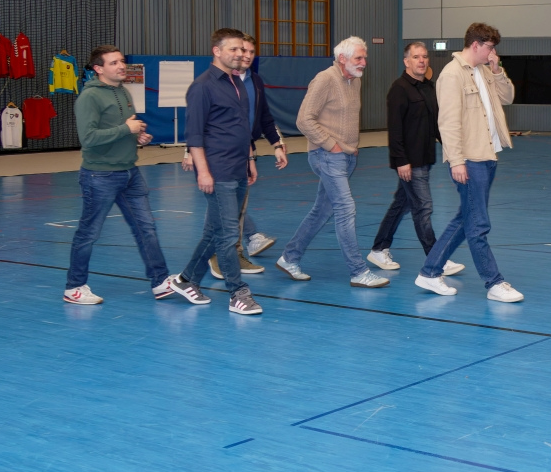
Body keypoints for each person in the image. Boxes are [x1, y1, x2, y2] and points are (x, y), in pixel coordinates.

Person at [414, 22, 523, 302]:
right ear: (476, 45)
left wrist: (497, 70)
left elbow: (508, 97)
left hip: (487, 156)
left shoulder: (484, 71)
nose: (492, 52)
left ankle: (429, 272)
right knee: (478, 225)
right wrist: (457, 161)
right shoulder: (452, 75)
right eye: (490, 48)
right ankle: (494, 282)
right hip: (470, 160)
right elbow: (448, 123)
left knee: (466, 219)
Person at [276, 36, 390, 288]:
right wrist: (331, 144)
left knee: (322, 211)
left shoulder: (355, 81)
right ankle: (358, 271)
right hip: (327, 156)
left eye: (364, 58)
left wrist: (351, 147)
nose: (364, 63)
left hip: (347, 157)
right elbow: (304, 120)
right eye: (358, 58)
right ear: (342, 58)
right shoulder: (325, 79)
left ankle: (289, 257)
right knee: (345, 208)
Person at [63, 45, 173, 305]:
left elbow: (123, 129)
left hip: (130, 173)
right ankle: (74, 287)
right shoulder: (89, 97)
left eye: (122, 61)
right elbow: (89, 138)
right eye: (114, 63)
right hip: (100, 176)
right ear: (99, 69)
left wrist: (138, 136)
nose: (121, 66)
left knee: (146, 228)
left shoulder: (123, 91)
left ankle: (160, 281)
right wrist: (127, 129)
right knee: (89, 233)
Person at [167, 28, 263, 315]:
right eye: (233, 49)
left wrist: (249, 159)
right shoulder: (202, 86)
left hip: (238, 168)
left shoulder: (237, 83)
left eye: (242, 49)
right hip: (217, 171)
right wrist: (203, 172)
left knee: (214, 231)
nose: (239, 54)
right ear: (217, 51)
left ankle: (186, 280)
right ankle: (238, 292)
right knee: (229, 234)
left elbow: (241, 128)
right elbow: (194, 134)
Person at [367, 41, 464, 278]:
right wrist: (401, 160)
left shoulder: (428, 87)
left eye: (424, 57)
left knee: (402, 204)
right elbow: (395, 129)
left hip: (425, 157)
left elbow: (437, 125)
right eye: (416, 57)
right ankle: (436, 258)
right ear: (406, 61)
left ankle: (378, 249)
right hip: (409, 162)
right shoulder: (399, 89)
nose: (422, 61)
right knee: (423, 207)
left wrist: (453, 150)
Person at [193, 33, 285, 280]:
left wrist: (272, 146)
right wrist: (194, 158)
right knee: (225, 217)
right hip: (218, 157)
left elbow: (260, 118)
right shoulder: (211, 84)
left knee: (233, 214)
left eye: (250, 52)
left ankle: (207, 268)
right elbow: (198, 125)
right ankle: (225, 268)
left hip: (243, 152)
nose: (244, 55)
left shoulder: (253, 81)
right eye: (239, 50)